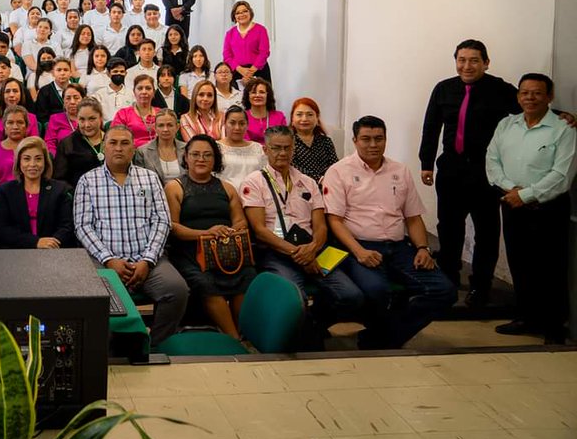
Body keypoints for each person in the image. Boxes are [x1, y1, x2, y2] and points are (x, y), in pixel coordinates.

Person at [323, 116, 457, 350]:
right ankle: (382, 337)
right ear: (355, 140)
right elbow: (334, 220)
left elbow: (413, 217)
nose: (373, 145)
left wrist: (422, 248)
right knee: (377, 291)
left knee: (445, 291)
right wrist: (359, 251)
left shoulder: (400, 171)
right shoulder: (339, 171)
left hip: (398, 248)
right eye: (366, 139)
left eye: (379, 139)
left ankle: (382, 337)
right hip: (358, 246)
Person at [418, 39, 520, 307]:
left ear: (486, 62)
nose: (467, 65)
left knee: (486, 232)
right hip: (451, 170)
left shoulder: (500, 90)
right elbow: (431, 126)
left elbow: (530, 108)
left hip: (486, 172)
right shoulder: (444, 89)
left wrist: (560, 116)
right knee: (449, 229)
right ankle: (449, 280)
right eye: (461, 60)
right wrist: (426, 162)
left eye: (474, 60)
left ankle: (481, 287)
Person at [241, 126, 363, 340]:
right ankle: (302, 337)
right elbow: (260, 231)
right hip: (276, 252)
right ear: (265, 150)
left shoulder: (308, 182)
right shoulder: (254, 182)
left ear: (294, 148)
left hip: (312, 249)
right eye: (276, 148)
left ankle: (314, 324)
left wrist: (313, 249)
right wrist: (298, 254)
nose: (282, 153)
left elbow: (321, 227)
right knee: (296, 298)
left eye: (287, 148)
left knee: (351, 296)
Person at [74, 124, 189, 344]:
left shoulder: (150, 178)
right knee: (98, 298)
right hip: (103, 261)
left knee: (177, 290)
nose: (119, 148)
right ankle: (112, 348)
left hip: (148, 260)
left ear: (134, 148)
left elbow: (162, 221)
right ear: (103, 147)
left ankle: (155, 344)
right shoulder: (87, 181)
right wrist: (109, 260)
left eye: (125, 143)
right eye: (113, 143)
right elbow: (83, 226)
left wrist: (148, 260)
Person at [485, 73, 576, 343]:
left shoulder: (564, 128)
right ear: (518, 96)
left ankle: (553, 325)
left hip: (547, 207)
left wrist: (526, 195)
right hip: (511, 203)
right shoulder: (506, 125)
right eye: (525, 92)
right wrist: (510, 190)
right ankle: (526, 317)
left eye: (537, 93)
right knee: (520, 263)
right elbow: (492, 160)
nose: (530, 98)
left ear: (549, 96)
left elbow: (563, 173)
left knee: (551, 267)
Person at [165, 135, 255, 339]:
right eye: (195, 154)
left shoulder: (227, 187)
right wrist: (206, 234)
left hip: (227, 250)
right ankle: (234, 338)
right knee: (205, 282)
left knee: (247, 275)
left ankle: (244, 333)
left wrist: (229, 231)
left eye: (207, 155)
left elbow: (241, 221)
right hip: (189, 252)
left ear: (215, 159)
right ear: (186, 158)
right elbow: (174, 227)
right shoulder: (175, 187)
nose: (201, 159)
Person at [0, 137, 75, 249]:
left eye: (38, 159)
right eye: (26, 159)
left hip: (52, 252)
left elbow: (66, 227)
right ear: (19, 162)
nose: (32, 164)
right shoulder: (6, 191)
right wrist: (35, 242)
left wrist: (50, 244)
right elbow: (2, 229)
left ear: (45, 162)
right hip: (16, 253)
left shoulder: (60, 190)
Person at [53, 98, 106, 187]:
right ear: (77, 119)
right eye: (82, 119)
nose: (87, 125)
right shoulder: (67, 144)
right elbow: (59, 180)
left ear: (100, 118)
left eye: (92, 119)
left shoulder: (112, 140)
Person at [0, 105, 31, 201]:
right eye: (10, 123)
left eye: (20, 122)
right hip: (3, 199)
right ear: (4, 126)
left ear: (26, 126)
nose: (15, 127)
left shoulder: (34, 148)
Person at [290, 97, 338, 184]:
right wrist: (319, 179)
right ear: (292, 119)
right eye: (299, 114)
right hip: (298, 187)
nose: (304, 119)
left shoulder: (326, 141)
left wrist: (328, 180)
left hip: (328, 186)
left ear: (317, 119)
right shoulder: (288, 142)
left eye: (310, 114)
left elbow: (335, 166)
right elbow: (292, 168)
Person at [218, 105, 266, 190]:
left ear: (247, 125)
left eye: (242, 123)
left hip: (255, 196)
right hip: (224, 196)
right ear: (224, 124)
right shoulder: (216, 147)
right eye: (232, 123)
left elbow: (265, 176)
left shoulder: (258, 148)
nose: (237, 128)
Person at [223, 0, 271, 85]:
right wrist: (240, 69)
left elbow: (264, 52)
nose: (241, 15)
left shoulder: (261, 30)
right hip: (237, 73)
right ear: (234, 16)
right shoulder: (230, 33)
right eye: (238, 13)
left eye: (245, 11)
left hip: (259, 71)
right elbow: (227, 56)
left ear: (250, 13)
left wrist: (250, 72)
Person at [134, 109, 185, 185]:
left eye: (170, 125)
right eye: (161, 125)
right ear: (155, 128)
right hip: (153, 195)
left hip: (185, 194)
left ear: (177, 127)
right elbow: (140, 184)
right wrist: (146, 197)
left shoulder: (187, 149)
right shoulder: (142, 152)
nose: (165, 129)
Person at [0, 78, 38, 148]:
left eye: (15, 91)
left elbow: (34, 146)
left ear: (21, 94)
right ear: (2, 95)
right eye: (7, 91)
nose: (11, 95)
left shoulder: (32, 118)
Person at [111, 75, 162, 147]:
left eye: (148, 88)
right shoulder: (123, 114)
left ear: (153, 92)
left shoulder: (161, 114)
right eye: (140, 88)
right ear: (134, 92)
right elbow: (115, 136)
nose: (144, 92)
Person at [243, 77, 286, 144]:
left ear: (268, 95)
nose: (257, 95)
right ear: (248, 96)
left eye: (262, 92)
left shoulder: (279, 116)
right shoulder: (242, 117)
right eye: (253, 92)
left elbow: (284, 139)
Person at [44, 83, 85, 154]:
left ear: (83, 99)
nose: (72, 102)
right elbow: (50, 144)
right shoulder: (55, 119)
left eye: (76, 98)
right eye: (68, 98)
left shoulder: (89, 118)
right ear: (63, 101)